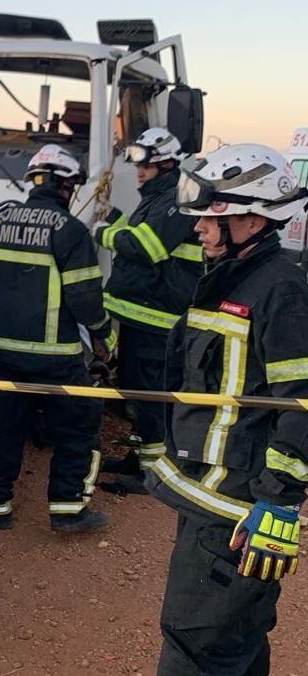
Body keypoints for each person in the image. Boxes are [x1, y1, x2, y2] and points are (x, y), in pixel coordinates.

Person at [108, 144, 308, 676]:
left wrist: (279, 504)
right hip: (221, 498)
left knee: (196, 641)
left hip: (239, 509)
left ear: (254, 219)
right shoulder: (234, 275)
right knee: (241, 627)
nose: (196, 228)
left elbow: (301, 402)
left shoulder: (280, 289)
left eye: (210, 217)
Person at [0, 144, 116, 534]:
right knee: (78, 427)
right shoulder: (72, 231)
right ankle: (66, 510)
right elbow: (85, 300)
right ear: (66, 187)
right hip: (55, 358)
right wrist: (103, 338)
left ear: (33, 182)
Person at [95, 129, 203, 493]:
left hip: (157, 318)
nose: (139, 172)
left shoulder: (175, 199)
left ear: (167, 163)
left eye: (146, 166)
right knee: (136, 394)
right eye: (138, 166)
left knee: (151, 398)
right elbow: (134, 231)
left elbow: (148, 247)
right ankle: (138, 458)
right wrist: (111, 219)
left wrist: (104, 235)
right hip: (139, 314)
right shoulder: (155, 197)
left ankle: (152, 475)